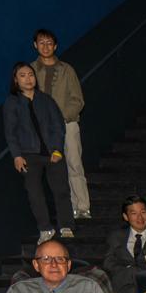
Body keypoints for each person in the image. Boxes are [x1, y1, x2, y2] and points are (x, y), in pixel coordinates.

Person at [3, 63, 73, 241]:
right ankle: (45, 229)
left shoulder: (46, 100)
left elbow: (58, 126)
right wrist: (17, 155)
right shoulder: (12, 102)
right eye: (23, 75)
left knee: (61, 190)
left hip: (52, 154)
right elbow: (10, 132)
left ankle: (66, 225)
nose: (28, 78)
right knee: (35, 193)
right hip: (28, 155)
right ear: (16, 80)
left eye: (30, 74)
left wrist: (57, 149)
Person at [31, 28, 91, 220]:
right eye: (41, 42)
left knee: (74, 163)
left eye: (49, 43)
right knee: (54, 170)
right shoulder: (30, 71)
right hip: (42, 130)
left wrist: (60, 117)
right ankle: (66, 210)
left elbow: (78, 100)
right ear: (35, 45)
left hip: (67, 124)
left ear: (55, 46)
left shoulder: (67, 69)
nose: (46, 46)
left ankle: (82, 206)